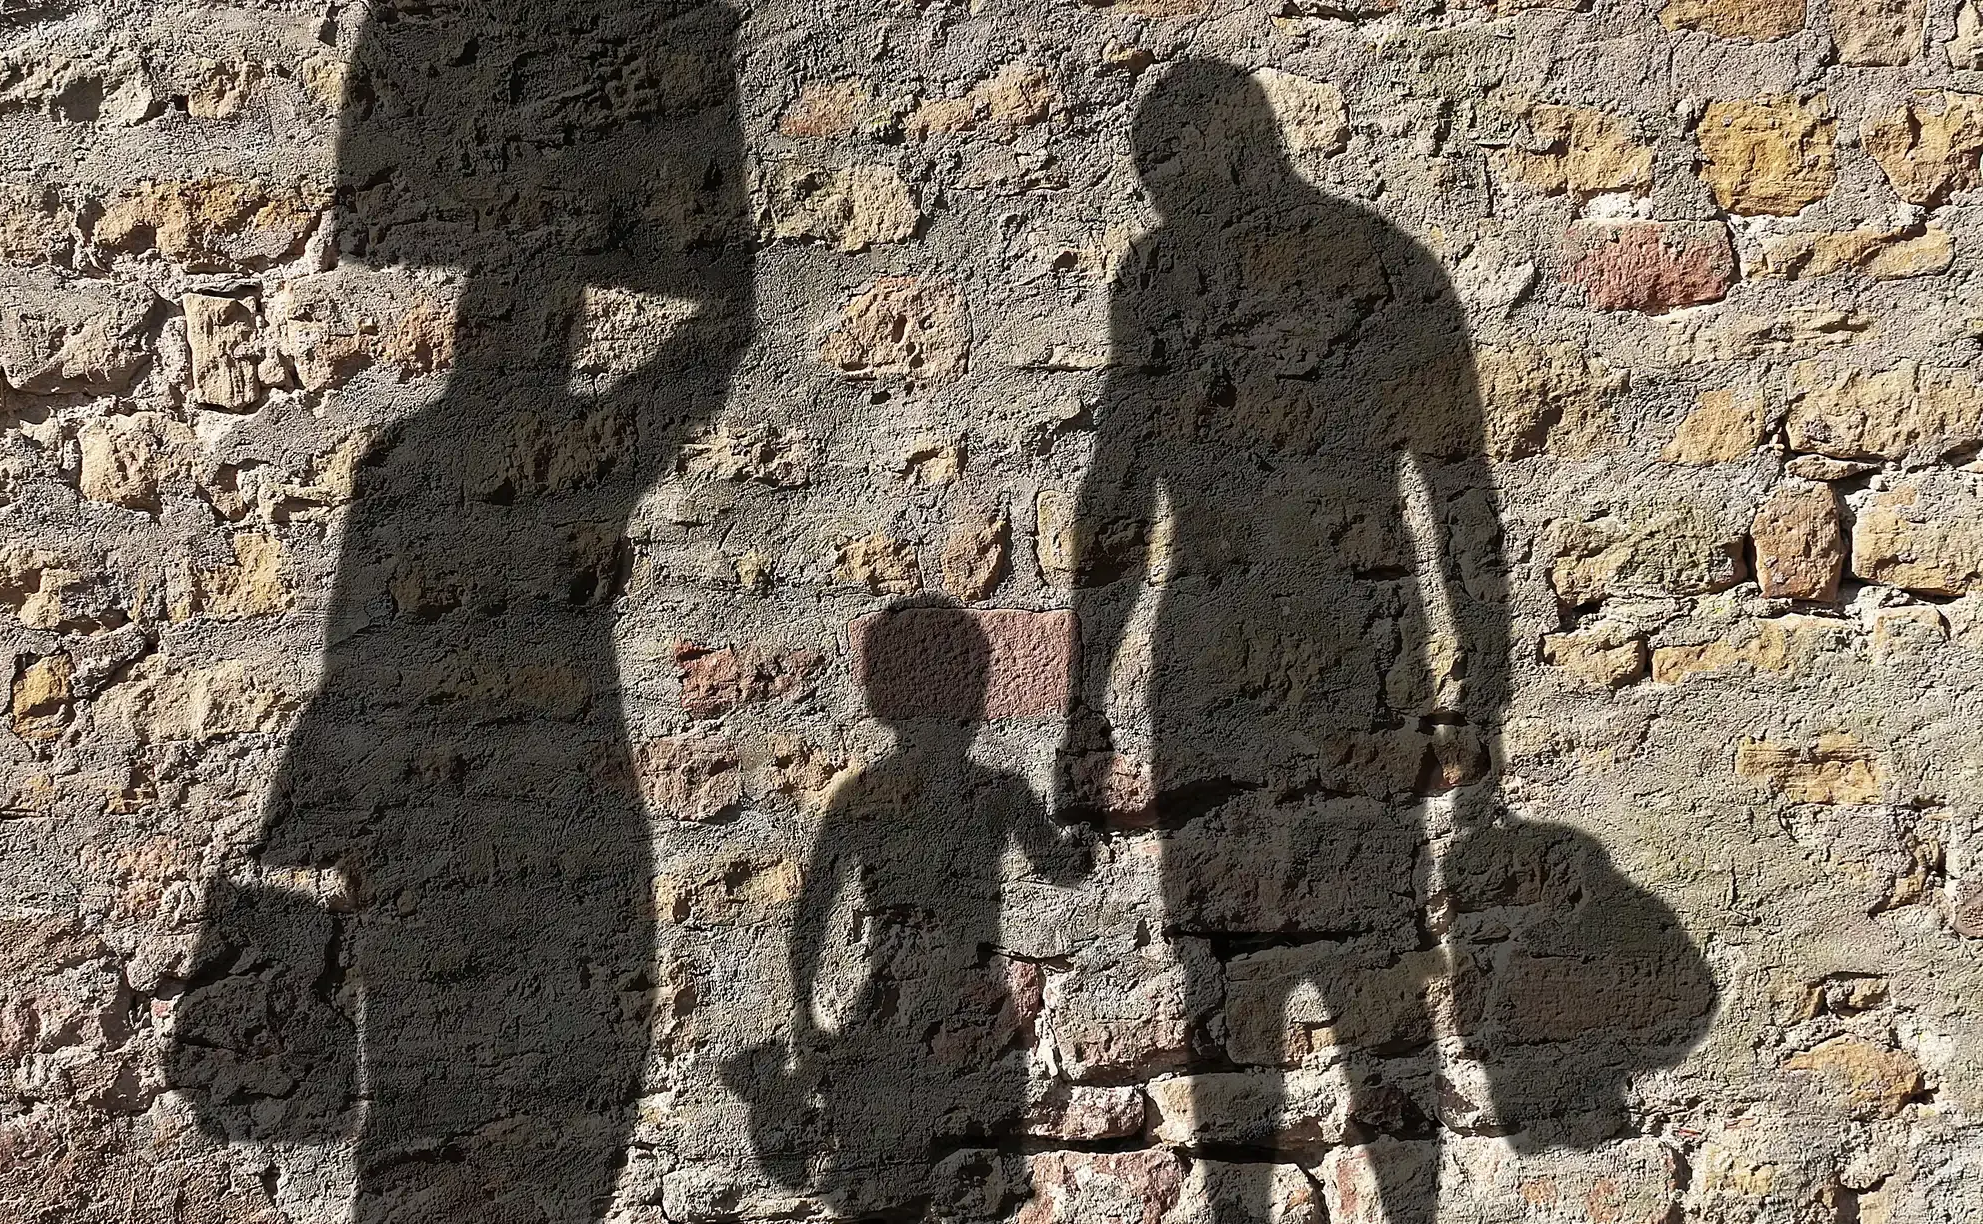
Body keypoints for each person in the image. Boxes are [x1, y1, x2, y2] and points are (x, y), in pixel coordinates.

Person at [1061, 60, 1712, 1222]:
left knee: (1306, 1004)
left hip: (1287, 675)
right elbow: (1449, 500)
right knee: (1301, 998)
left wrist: (1080, 703)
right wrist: (1477, 709)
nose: (1166, 196)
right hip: (1289, 671)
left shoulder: (1236, 273)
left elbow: (1450, 495)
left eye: (1171, 171)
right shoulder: (1325, 267)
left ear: (1229, 155)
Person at [169, 3, 753, 1220]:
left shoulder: (412, 464)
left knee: (432, 1108)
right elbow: (717, 350)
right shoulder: (580, 451)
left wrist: (310, 817)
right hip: (560, 806)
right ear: (558, 335)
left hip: (428, 821)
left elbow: (349, 648)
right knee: (553, 1099)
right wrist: (701, 170)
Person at [728, 598, 1087, 1220]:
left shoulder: (861, 793)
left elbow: (812, 913)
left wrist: (805, 1013)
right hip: (976, 1013)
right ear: (974, 694)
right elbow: (1063, 868)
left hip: (887, 1007)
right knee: (975, 1183)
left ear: (878, 698)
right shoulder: (998, 789)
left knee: (878, 1186)